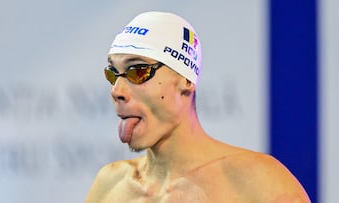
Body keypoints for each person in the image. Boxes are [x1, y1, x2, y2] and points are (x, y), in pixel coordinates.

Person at [85, 11, 310, 202]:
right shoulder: (111, 186)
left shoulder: (256, 183)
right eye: (112, 74)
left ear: (186, 80)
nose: (117, 91)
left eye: (137, 71)